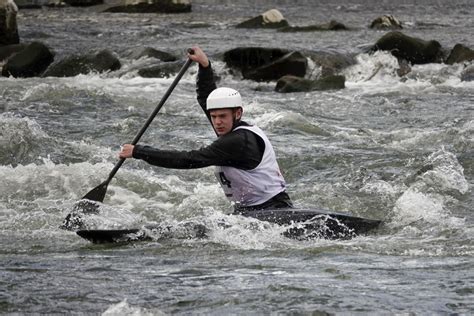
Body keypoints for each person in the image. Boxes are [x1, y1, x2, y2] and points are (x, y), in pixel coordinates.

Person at [119, 46, 292, 213]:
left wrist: (139, 152)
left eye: (222, 116)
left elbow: (189, 160)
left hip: (274, 209)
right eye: (213, 116)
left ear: (238, 113)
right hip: (248, 211)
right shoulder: (229, 127)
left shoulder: (238, 141)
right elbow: (206, 97)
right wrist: (204, 66)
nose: (217, 122)